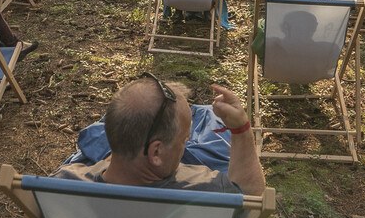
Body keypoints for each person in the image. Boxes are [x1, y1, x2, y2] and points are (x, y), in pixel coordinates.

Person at [53, 75, 265, 196]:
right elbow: (253, 200)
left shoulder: (61, 187)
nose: (187, 143)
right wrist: (240, 129)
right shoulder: (209, 193)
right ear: (156, 152)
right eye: (184, 139)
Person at [251, 0, 315, 61]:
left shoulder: (266, 26)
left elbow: (258, 48)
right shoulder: (321, 26)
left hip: (275, 72)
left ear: (280, 1)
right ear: (309, 3)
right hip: (315, 72)